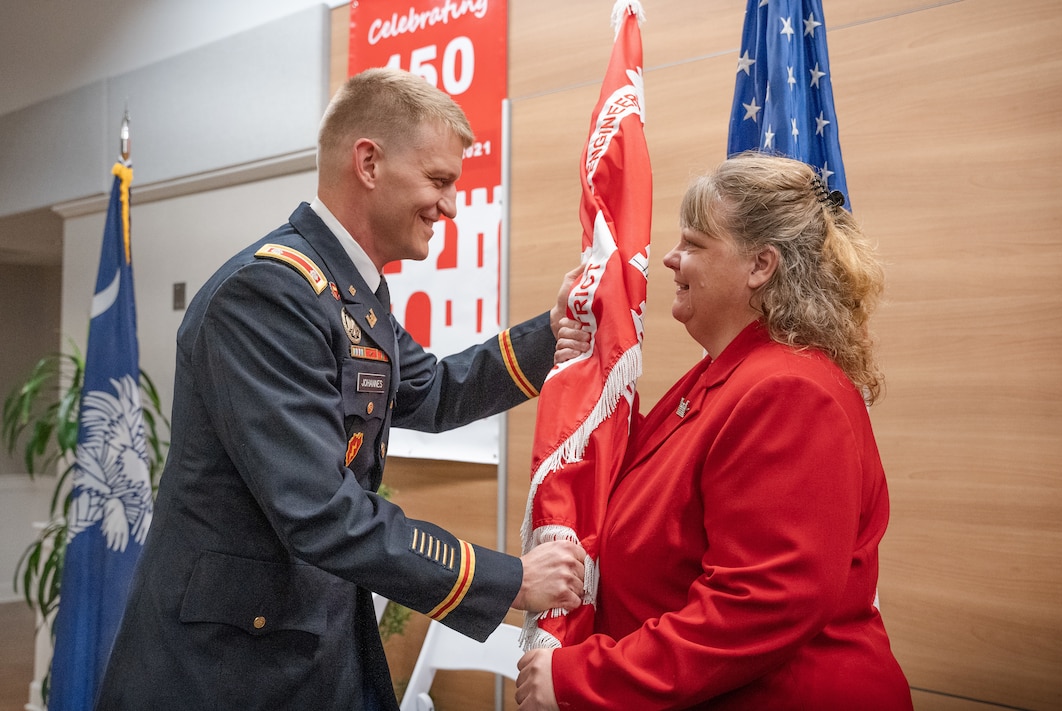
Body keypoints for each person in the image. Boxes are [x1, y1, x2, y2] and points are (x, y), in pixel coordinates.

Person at [95, 68, 585, 711]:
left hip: (307, 637)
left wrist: (549, 334)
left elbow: (432, 391)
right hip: (230, 669)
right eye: (438, 181)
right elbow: (320, 508)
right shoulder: (268, 294)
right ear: (369, 163)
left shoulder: (348, 291)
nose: (450, 206)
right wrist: (508, 580)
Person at [516, 152, 913, 710]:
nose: (672, 260)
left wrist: (586, 678)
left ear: (760, 265)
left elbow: (758, 604)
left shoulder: (790, 392)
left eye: (695, 244)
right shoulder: (721, 376)